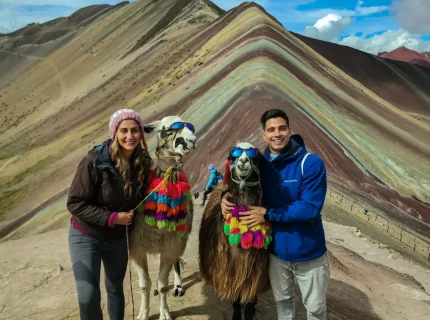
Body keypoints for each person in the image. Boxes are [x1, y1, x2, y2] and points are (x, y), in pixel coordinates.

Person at [221, 109, 330, 320]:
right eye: (271, 130)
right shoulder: (260, 164)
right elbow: (241, 181)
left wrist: (268, 214)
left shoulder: (310, 163)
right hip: (276, 254)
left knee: (315, 308)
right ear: (264, 135)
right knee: (284, 305)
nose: (277, 134)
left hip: (309, 253)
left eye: (281, 128)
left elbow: (310, 207)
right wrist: (225, 195)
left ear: (290, 130)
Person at [67, 109, 153, 320]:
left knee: (115, 289)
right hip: (86, 236)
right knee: (88, 296)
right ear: (114, 132)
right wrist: (112, 218)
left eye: (135, 130)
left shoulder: (144, 163)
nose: (129, 136)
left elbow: (149, 193)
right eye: (124, 130)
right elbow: (75, 203)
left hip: (117, 239)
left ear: (141, 134)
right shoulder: (94, 161)